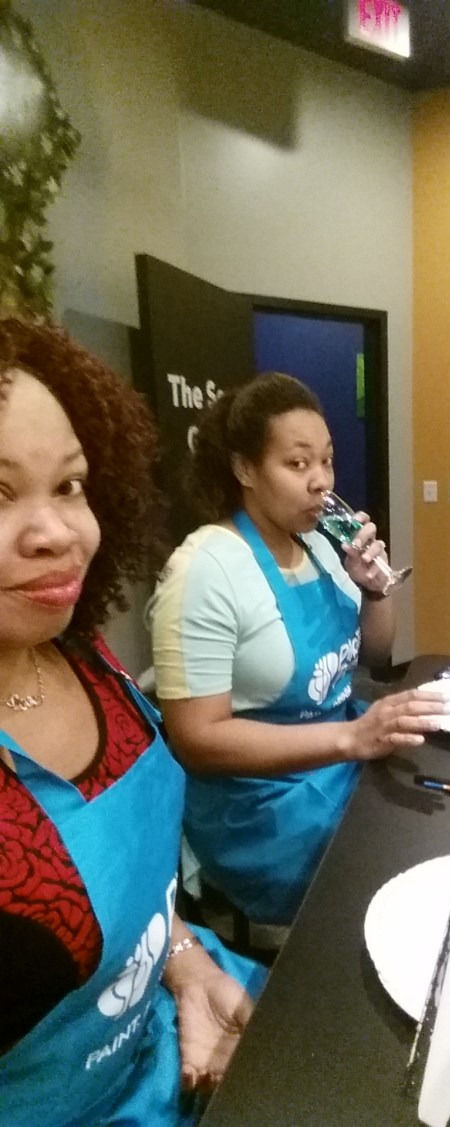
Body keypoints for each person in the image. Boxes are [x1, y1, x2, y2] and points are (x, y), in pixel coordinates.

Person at [0, 318, 266, 1127]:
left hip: (170, 1035)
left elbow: (142, 893)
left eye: (70, 485)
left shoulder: (79, 655)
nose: (58, 533)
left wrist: (184, 962)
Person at [148, 372, 448, 927]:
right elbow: (196, 739)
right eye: (297, 463)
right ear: (244, 469)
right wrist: (351, 738)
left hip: (338, 762)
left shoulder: (320, 545)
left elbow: (374, 656)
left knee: (431, 822)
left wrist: (374, 589)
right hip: (262, 811)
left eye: (326, 461)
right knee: (399, 878)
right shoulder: (205, 570)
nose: (321, 481)